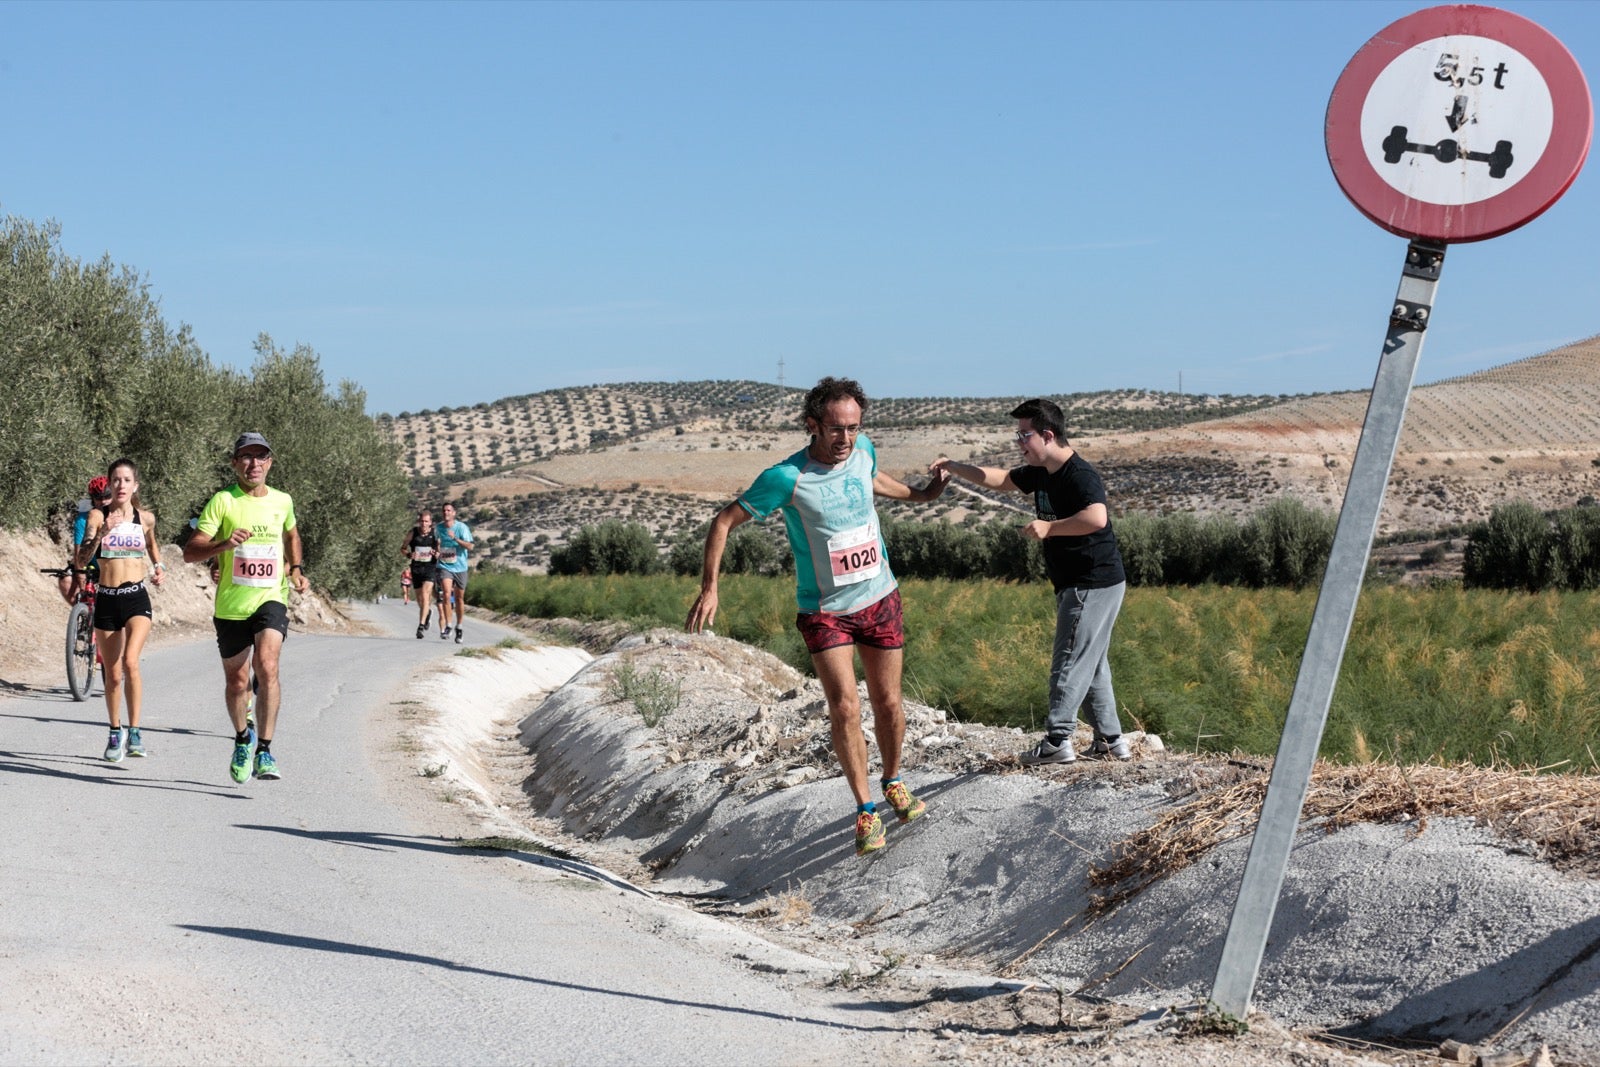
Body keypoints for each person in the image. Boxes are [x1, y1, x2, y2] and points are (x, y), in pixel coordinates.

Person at [686, 376, 950, 856]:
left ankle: (893, 779)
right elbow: (724, 520)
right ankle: (866, 810)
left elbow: (878, 483)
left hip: (880, 597)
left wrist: (926, 495)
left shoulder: (863, 450)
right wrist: (711, 587)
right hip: (825, 611)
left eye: (853, 428)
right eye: (835, 429)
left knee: (889, 703)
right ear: (813, 425)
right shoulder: (786, 478)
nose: (845, 439)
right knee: (846, 706)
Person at [931, 398, 1132, 765]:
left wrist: (1049, 527)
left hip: (1091, 580)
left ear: (1048, 435)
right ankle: (1111, 741)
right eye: (1017, 434)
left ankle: (1057, 741)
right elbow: (1003, 480)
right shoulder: (1039, 471)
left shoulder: (1079, 474)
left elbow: (1097, 517)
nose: (1019, 443)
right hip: (1085, 581)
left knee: (1070, 658)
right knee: (1092, 662)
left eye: (1024, 435)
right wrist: (955, 467)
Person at [181, 432, 308, 783]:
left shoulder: (283, 501)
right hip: (231, 606)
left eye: (261, 456)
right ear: (235, 463)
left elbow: (292, 535)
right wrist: (223, 543)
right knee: (238, 682)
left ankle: (265, 750)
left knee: (267, 666)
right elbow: (191, 551)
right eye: (246, 457)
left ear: (270, 462)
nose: (254, 464)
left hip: (271, 597)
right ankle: (241, 739)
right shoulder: (222, 502)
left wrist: (295, 569)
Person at [70, 459, 164, 761]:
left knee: (130, 663)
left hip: (136, 597)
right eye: (116, 480)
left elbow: (151, 544)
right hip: (107, 598)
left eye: (126, 480)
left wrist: (159, 566)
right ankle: (115, 731)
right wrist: (101, 534)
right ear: (110, 485)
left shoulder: (145, 517)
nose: (121, 485)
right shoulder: (98, 515)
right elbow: (81, 561)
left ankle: (135, 731)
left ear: (135, 485)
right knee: (111, 674)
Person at [57, 475, 112, 604]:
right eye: (98, 497)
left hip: (112, 567)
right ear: (92, 499)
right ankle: (84, 614)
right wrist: (82, 588)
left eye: (107, 496)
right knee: (65, 579)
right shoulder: (83, 520)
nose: (103, 501)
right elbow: (78, 553)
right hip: (90, 564)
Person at [435, 501, 474, 643]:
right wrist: (436, 550)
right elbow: (436, 544)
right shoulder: (438, 528)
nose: (446, 513)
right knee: (445, 594)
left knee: (459, 599)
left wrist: (455, 539)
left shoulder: (462, 528)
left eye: (448, 510)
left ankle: (459, 627)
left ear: (454, 513)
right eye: (444, 510)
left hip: (461, 567)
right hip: (445, 565)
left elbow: (470, 546)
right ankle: (448, 626)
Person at [402, 509, 439, 640]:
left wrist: (437, 554)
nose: (424, 524)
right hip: (416, 568)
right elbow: (403, 548)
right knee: (419, 599)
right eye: (422, 521)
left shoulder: (435, 534)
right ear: (419, 521)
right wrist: (408, 554)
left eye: (426, 521)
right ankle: (427, 612)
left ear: (431, 523)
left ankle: (421, 626)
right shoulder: (413, 533)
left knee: (425, 594)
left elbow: (440, 551)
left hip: (430, 567)